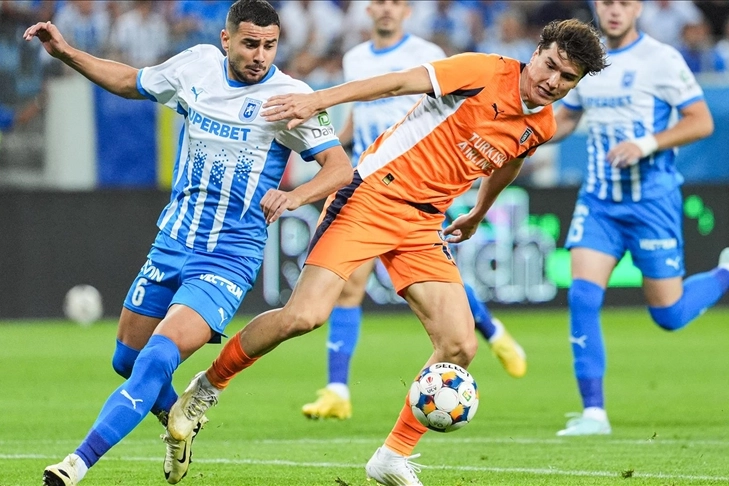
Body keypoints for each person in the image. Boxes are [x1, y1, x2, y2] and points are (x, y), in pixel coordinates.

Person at [168, 18, 607, 486]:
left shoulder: (542, 123)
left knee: (459, 344)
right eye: (550, 65)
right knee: (303, 317)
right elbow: (396, 83)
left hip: (423, 223)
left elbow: (510, 162)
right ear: (536, 52)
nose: (553, 81)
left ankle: (392, 456)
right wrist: (319, 99)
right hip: (372, 196)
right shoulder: (482, 71)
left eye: (567, 78)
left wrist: (479, 212)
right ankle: (208, 386)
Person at [25, 1, 353, 485]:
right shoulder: (196, 66)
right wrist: (67, 53)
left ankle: (75, 465)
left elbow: (340, 168)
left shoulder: (291, 97)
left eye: (269, 45)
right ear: (226, 39)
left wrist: (296, 195)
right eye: (250, 44)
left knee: (157, 358)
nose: (260, 55)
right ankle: (179, 421)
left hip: (229, 256)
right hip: (173, 241)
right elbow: (129, 80)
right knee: (127, 360)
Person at [302, 0, 527, 423]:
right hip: (370, 178)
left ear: (407, 11)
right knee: (349, 288)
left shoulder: (428, 53)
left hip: (419, 183)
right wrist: (329, 148)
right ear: (368, 10)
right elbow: (357, 118)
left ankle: (492, 330)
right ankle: (337, 390)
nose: (387, 9)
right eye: (380, 3)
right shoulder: (355, 57)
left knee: (437, 286)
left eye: (396, 3)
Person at [551, 0, 729, 437]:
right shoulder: (586, 60)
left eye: (624, 3)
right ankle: (594, 413)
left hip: (652, 203)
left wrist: (646, 144)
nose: (614, 11)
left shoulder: (661, 59)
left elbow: (701, 121)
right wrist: (526, 135)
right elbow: (568, 117)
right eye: (607, 2)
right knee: (582, 297)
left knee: (669, 315)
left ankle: (724, 273)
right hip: (599, 202)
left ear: (638, 8)